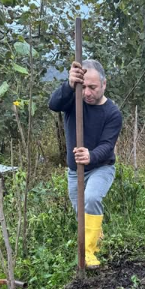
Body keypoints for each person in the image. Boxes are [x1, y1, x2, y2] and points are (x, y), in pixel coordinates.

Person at [49, 59, 122, 268]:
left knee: (90, 198)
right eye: (84, 87)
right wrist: (69, 85)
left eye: (93, 87)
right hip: (75, 171)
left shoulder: (112, 113)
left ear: (104, 84)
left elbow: (107, 146)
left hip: (101, 167)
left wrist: (90, 155)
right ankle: (97, 239)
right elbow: (53, 104)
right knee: (82, 212)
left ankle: (88, 253)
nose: (87, 93)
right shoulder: (73, 100)